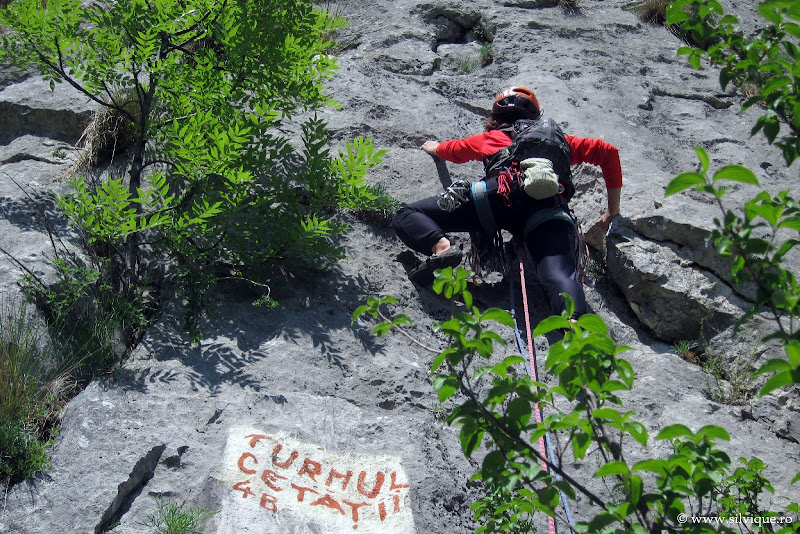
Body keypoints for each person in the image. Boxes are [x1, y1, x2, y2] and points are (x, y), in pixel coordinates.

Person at [391, 86, 622, 318]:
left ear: (496, 118)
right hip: (549, 208)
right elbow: (608, 152)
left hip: (497, 198)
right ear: (536, 118)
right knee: (559, 274)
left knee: (407, 214)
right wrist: (612, 210)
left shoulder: (490, 138)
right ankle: (575, 329)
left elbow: (452, 150)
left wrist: (435, 148)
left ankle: (443, 248)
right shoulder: (558, 141)